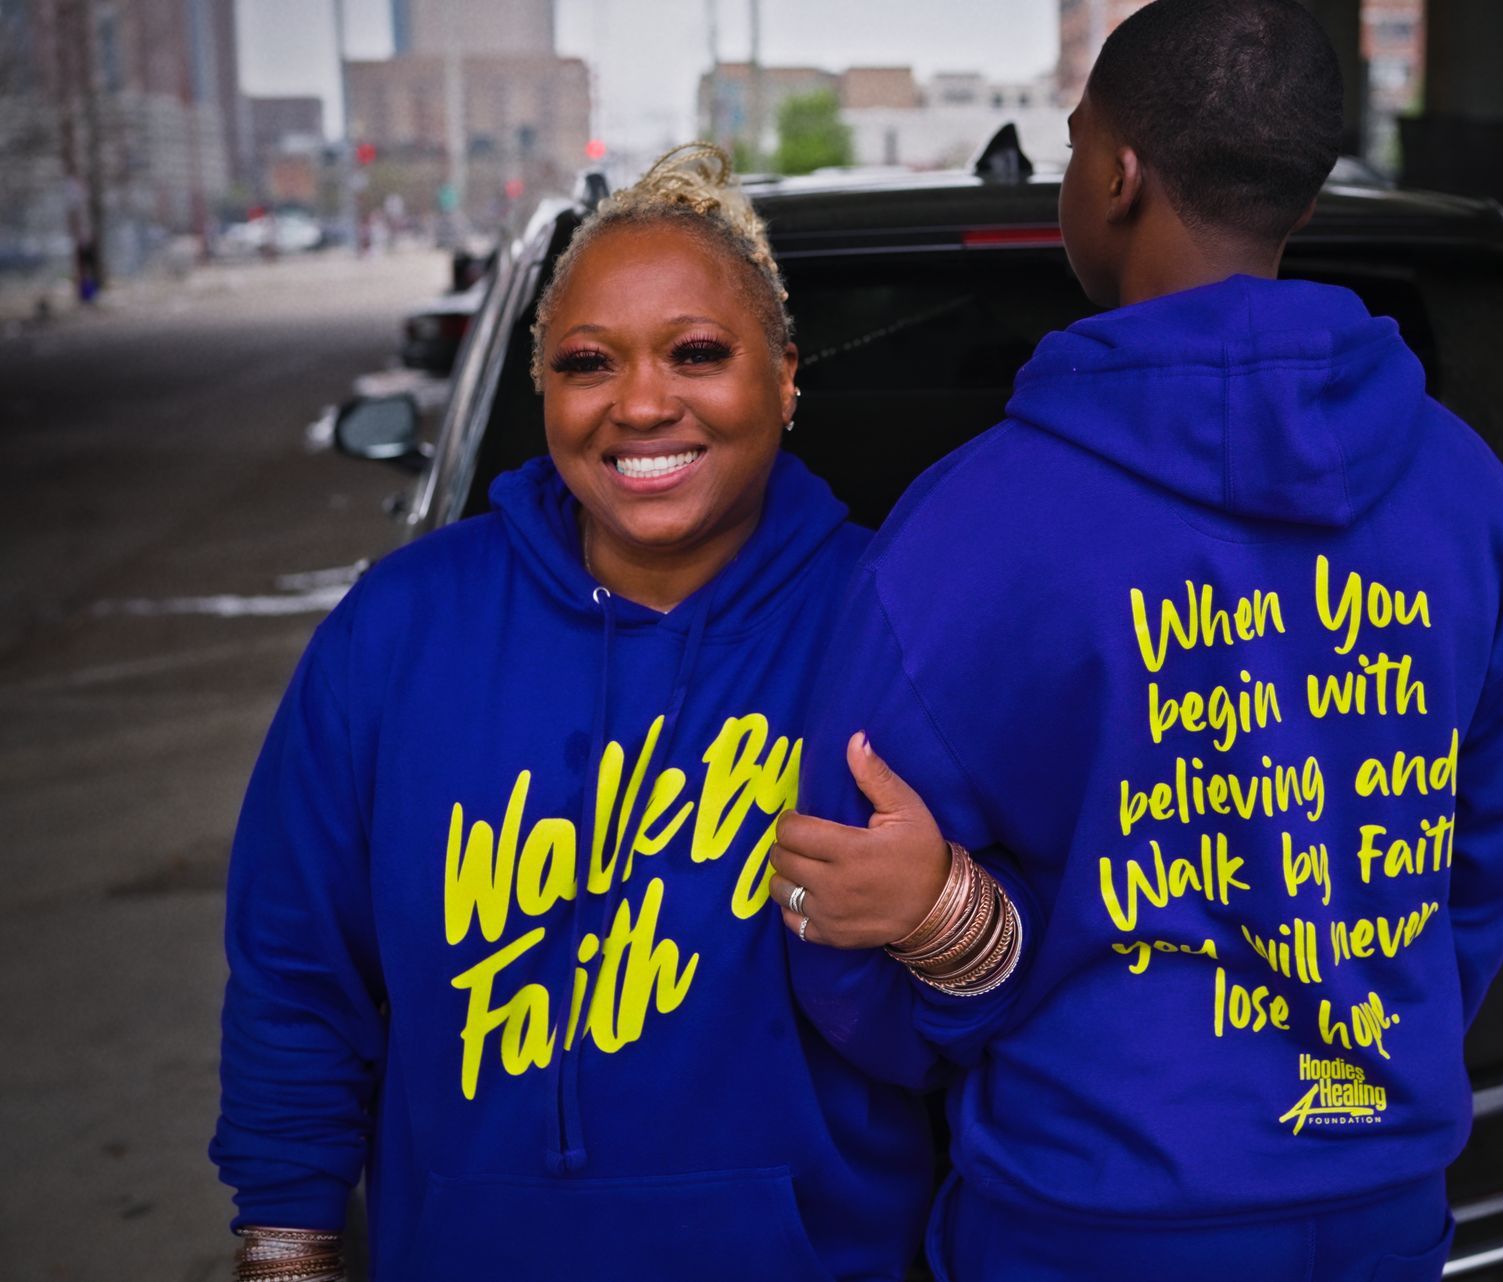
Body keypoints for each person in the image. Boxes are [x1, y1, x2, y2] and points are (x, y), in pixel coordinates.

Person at [775, 2, 1503, 1279]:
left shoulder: (971, 527)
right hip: (1380, 1203)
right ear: (1297, 200)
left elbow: (841, 897)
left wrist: (969, 986)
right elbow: (1492, 853)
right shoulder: (1466, 493)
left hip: (1086, 1215)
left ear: (1118, 175)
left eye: (1077, 144)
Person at [209, 144, 1010, 1282]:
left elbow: (1032, 998)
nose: (642, 402)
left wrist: (945, 911)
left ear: (784, 376)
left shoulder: (894, 623)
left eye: (697, 353)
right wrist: (287, 1242)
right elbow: (297, 973)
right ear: (544, 387)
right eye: (591, 362)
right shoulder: (398, 631)